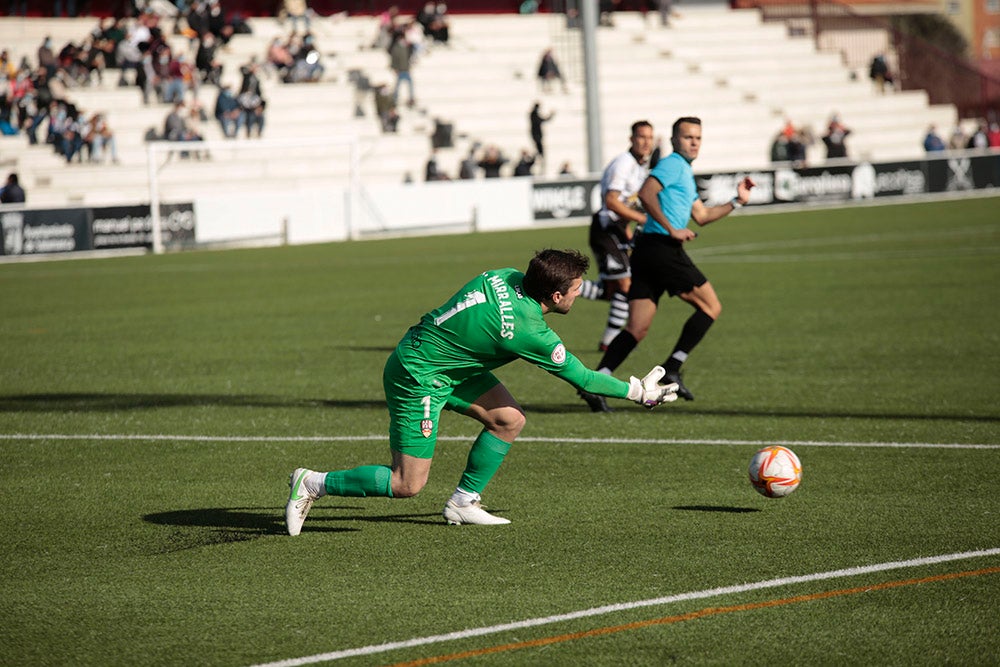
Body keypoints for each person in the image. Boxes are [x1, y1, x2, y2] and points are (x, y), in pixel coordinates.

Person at [284, 248, 679, 535]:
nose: (580, 293)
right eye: (576, 289)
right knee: (407, 484)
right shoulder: (529, 331)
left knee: (508, 419)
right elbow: (586, 380)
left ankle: (462, 503)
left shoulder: (503, 274)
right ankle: (313, 483)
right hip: (419, 374)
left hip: (447, 361)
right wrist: (638, 391)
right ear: (555, 297)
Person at [580, 117, 754, 411]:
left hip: (648, 251)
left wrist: (737, 201)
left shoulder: (683, 170)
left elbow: (702, 216)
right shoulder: (673, 164)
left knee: (636, 328)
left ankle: (598, 382)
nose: (694, 142)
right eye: (688, 137)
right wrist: (672, 229)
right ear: (674, 140)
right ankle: (673, 367)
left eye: (698, 137)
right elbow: (647, 193)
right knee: (711, 306)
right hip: (663, 248)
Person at [582, 120, 655, 360]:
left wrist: (630, 231)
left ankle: (567, 286)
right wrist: (642, 219)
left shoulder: (640, 166)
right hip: (605, 229)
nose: (646, 142)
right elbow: (611, 201)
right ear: (631, 139)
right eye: (641, 137)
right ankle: (610, 341)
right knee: (624, 285)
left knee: (614, 291)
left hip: (618, 230)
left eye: (649, 137)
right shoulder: (624, 164)